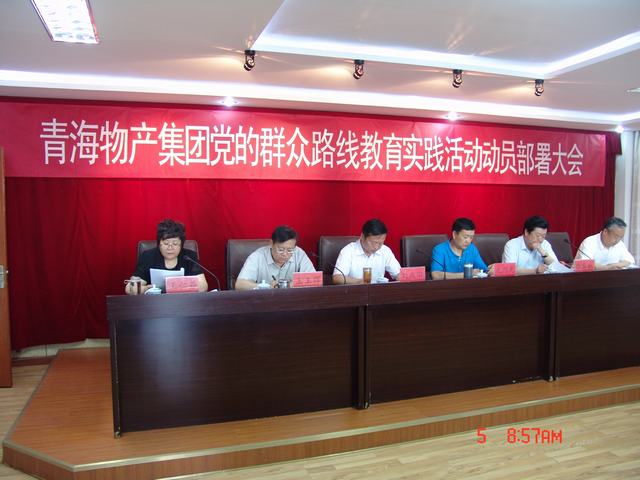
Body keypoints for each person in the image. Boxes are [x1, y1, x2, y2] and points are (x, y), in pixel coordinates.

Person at [126, 219, 207, 294]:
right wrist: (145, 289)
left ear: (181, 244)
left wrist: (174, 287)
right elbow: (130, 288)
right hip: (153, 302)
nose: (170, 247)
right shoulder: (147, 256)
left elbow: (203, 287)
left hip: (184, 302)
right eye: (166, 243)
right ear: (159, 243)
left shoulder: (190, 257)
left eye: (175, 243)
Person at [235, 225, 315, 290]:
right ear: (271, 243)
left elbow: (314, 279)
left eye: (290, 250)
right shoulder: (257, 257)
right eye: (281, 250)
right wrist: (266, 287)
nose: (285, 254)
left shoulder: (299, 254)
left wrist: (291, 284)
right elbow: (240, 284)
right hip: (265, 301)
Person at [333, 218, 401, 284]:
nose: (377, 247)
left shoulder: (385, 250)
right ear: (362, 236)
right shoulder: (348, 251)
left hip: (378, 290)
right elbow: (337, 278)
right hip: (355, 290)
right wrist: (358, 282)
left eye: (381, 243)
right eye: (374, 242)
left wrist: (402, 277)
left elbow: (398, 274)